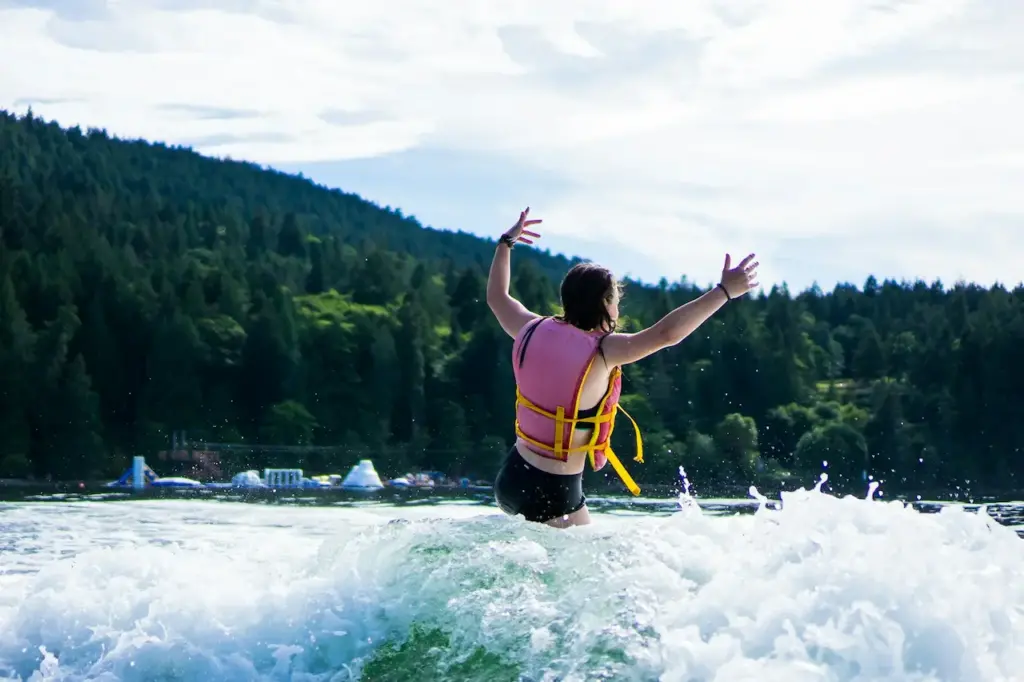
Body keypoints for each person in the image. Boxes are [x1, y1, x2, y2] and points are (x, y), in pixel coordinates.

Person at [487, 207, 760, 528]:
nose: (618, 306)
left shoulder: (528, 327)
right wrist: (724, 292)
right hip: (554, 491)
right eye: (616, 299)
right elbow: (666, 334)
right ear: (605, 303)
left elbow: (496, 296)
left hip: (511, 477)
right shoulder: (603, 351)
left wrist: (506, 242)